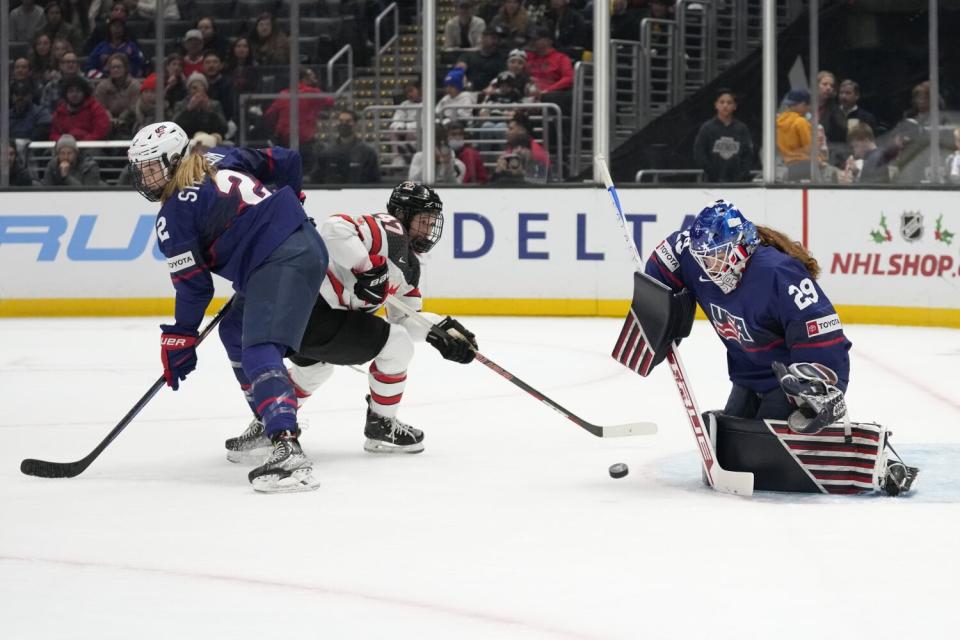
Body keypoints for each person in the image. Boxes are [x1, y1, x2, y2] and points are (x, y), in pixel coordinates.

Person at [635, 199, 914, 495]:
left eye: (716, 256)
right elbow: (667, 257)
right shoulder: (693, 256)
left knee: (765, 461)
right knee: (733, 448)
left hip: (785, 382)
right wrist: (657, 310)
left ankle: (874, 463)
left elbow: (819, 330)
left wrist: (821, 389)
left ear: (741, 246)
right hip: (746, 376)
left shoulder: (778, 273)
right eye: (704, 258)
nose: (709, 267)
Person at [127, 121, 328, 492]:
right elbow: (288, 160)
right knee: (233, 330)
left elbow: (194, 288)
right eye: (140, 168)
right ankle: (268, 419)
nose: (145, 176)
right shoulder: (222, 156)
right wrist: (292, 201)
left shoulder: (172, 214)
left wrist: (181, 336)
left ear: (173, 160)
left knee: (259, 349)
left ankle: (288, 447)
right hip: (301, 244)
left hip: (280, 257)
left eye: (152, 166)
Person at [224, 182, 478, 461]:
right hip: (309, 309)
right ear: (402, 214)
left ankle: (267, 425)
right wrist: (368, 268)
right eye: (423, 221)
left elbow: (406, 318)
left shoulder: (411, 269)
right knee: (397, 344)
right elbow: (333, 228)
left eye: (432, 223)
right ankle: (381, 424)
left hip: (310, 322)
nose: (428, 230)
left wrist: (440, 330)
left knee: (315, 371)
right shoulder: (388, 231)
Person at [692, 88, 754, 183]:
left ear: (735, 106)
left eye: (729, 103)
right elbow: (699, 153)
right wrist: (711, 172)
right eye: (722, 102)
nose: (725, 105)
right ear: (716, 105)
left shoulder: (742, 129)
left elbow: (748, 154)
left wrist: (742, 174)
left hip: (737, 183)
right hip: (712, 182)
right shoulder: (707, 128)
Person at [311, 109, 381, 184]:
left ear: (355, 124)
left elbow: (374, 180)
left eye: (348, 121)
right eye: (341, 121)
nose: (344, 124)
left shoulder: (367, 152)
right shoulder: (326, 152)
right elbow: (316, 178)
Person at [93, 53, 140, 138]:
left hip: (129, 123)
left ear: (125, 68)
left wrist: (121, 119)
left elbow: (134, 107)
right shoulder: (102, 86)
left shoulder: (135, 86)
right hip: (106, 123)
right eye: (113, 67)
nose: (115, 70)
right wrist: (109, 118)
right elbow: (99, 106)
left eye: (119, 67)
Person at [50, 76, 111, 141]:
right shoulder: (59, 112)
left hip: (91, 145)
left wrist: (82, 142)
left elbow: (101, 132)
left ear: (84, 93)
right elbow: (53, 134)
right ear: (65, 94)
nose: (74, 94)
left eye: (78, 91)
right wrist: (67, 142)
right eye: (71, 91)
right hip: (65, 146)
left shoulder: (95, 108)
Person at [172, 72, 228, 138]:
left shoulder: (215, 104)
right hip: (187, 139)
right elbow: (174, 128)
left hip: (209, 139)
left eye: (201, 87)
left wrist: (210, 112)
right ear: (189, 90)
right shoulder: (180, 105)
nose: (197, 91)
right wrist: (188, 110)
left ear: (205, 89)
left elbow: (224, 129)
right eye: (194, 88)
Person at [457, 26, 506, 92]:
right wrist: (462, 77)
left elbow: (503, 78)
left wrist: (492, 87)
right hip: (468, 93)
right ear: (483, 38)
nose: (496, 42)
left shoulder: (502, 59)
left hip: (491, 94)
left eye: (498, 39)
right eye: (493, 38)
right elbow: (459, 69)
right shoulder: (468, 56)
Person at [446, 120, 488, 184]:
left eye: (460, 134)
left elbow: (482, 179)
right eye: (453, 134)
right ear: (446, 136)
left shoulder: (472, 154)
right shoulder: (442, 154)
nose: (458, 137)